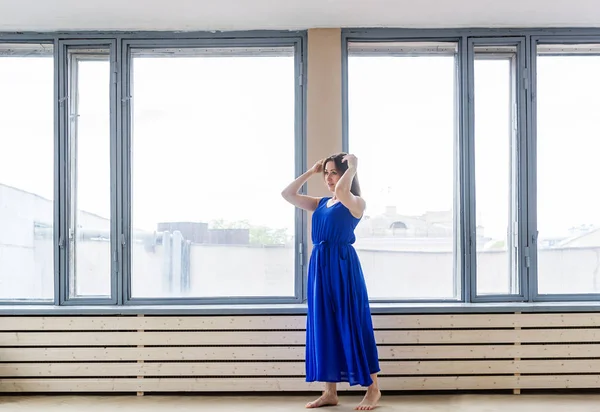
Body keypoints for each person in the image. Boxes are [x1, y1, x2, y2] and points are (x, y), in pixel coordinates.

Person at [281, 153, 381, 410]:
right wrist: (310, 172)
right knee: (324, 323)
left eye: (333, 172)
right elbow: (287, 194)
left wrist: (355, 166)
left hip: (343, 266)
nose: (328, 177)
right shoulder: (320, 203)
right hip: (320, 266)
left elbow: (342, 190)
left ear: (345, 174)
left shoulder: (355, 203)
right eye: (326, 172)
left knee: (352, 323)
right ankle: (330, 392)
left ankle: (373, 389)